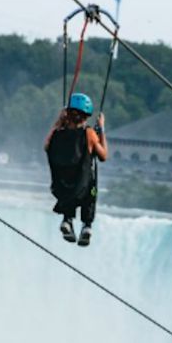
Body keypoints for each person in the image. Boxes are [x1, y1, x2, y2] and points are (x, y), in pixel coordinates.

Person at [44, 93, 108, 247]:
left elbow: (46, 146)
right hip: (83, 188)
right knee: (89, 190)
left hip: (61, 187)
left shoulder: (57, 135)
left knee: (70, 190)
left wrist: (58, 122)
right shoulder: (89, 134)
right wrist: (102, 130)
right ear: (86, 116)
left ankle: (67, 220)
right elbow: (103, 156)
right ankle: (86, 225)